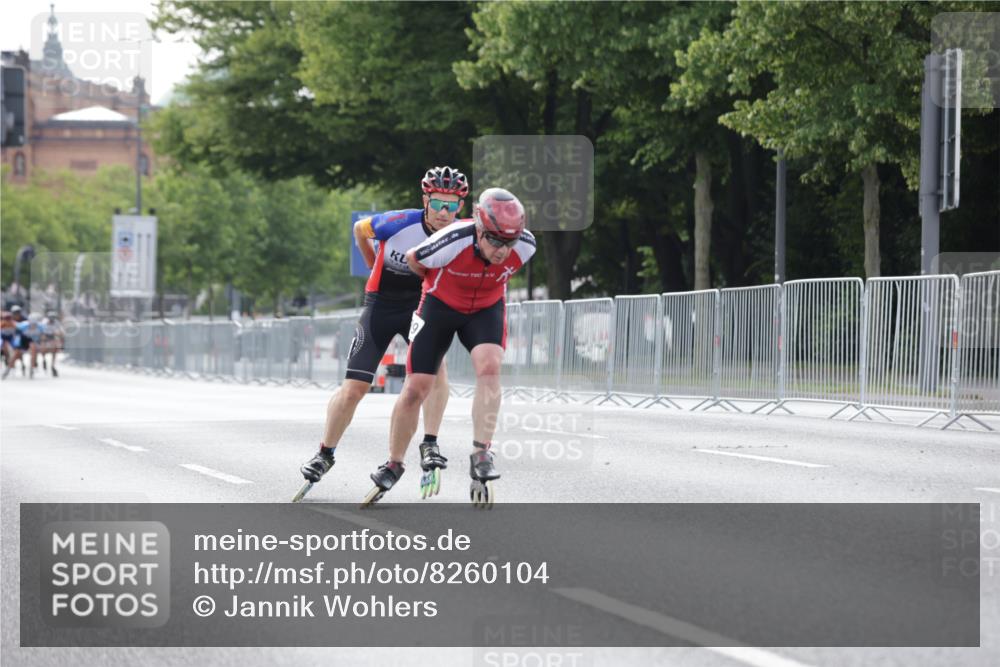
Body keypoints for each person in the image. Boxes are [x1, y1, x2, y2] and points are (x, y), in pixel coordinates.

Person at [293, 166, 469, 502]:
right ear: (425, 200)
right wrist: (374, 264)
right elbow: (360, 230)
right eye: (438, 204)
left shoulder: (459, 233)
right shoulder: (399, 221)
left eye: (452, 205)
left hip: (420, 307)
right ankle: (325, 453)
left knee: (434, 371)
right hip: (381, 305)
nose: (444, 213)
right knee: (354, 388)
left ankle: (428, 443)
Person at [361, 187, 536, 508]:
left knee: (490, 366)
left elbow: (507, 260)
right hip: (439, 306)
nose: (502, 250)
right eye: (495, 240)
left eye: (508, 242)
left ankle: (482, 450)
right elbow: (415, 261)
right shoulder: (451, 239)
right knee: (417, 387)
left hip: (485, 308)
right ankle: (394, 462)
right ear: (480, 230)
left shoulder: (525, 246)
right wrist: (438, 284)